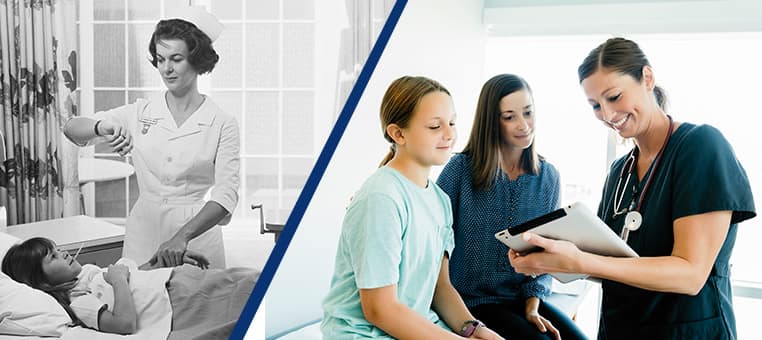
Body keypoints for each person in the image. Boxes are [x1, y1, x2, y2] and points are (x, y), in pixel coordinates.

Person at [508, 37, 756, 340]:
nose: (607, 115)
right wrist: (552, 259)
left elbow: (691, 274)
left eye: (614, 97)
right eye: (595, 105)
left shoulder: (700, 147)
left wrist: (582, 261)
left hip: (686, 331)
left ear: (647, 78)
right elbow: (612, 264)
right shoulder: (620, 171)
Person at [321, 76, 503, 339]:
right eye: (434, 126)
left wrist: (474, 329)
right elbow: (379, 310)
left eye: (452, 122)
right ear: (398, 133)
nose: (450, 134)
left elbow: (440, 288)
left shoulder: (439, 200)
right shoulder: (381, 198)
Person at [63, 7, 239, 269]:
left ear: (197, 59)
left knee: (195, 306)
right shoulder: (140, 112)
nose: (166, 68)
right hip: (144, 230)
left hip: (196, 236)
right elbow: (71, 128)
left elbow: (226, 196)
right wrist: (101, 127)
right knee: (137, 301)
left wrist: (181, 238)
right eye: (160, 59)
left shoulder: (222, 122)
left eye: (176, 58)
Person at [437, 74, 585, 340]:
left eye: (528, 113)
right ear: (492, 121)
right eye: (509, 116)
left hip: (522, 301)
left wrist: (533, 307)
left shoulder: (548, 177)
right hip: (470, 303)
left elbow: (543, 254)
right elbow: (433, 246)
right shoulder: (459, 171)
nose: (523, 125)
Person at [1, 237, 208, 334]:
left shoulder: (86, 274)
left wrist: (162, 262)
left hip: (178, 282)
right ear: (42, 282)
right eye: (53, 256)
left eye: (58, 248)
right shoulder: (80, 301)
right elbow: (124, 324)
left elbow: (133, 276)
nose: (63, 253)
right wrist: (118, 280)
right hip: (178, 300)